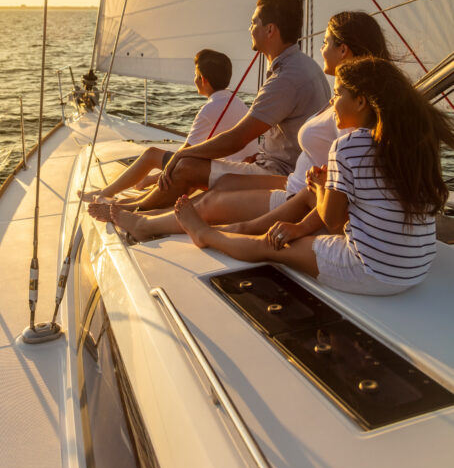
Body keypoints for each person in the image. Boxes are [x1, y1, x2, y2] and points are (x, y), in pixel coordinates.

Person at [174, 57, 454, 295]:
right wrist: (318, 198)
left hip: (373, 271)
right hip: (416, 267)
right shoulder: (411, 144)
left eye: (338, 94)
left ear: (360, 102)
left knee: (270, 247)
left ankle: (204, 233)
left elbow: (333, 221)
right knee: (291, 228)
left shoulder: (348, 145)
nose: (332, 102)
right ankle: (236, 229)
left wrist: (321, 187)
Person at [110, 11, 389, 241]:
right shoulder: (344, 93)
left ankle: (144, 223)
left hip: (299, 193)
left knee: (209, 200)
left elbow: (347, 176)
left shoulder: (351, 106)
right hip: (293, 181)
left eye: (326, 42)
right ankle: (146, 214)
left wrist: (303, 220)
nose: (321, 47)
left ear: (343, 50)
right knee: (225, 184)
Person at [89, 0, 329, 220]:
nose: (249, 28)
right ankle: (136, 207)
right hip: (286, 168)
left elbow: (237, 138)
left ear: (270, 30)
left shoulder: (285, 78)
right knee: (204, 173)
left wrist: (183, 154)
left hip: (283, 176)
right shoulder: (306, 66)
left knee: (185, 167)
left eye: (253, 22)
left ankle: (134, 209)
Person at [80, 49, 258, 204]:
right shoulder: (238, 103)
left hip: (223, 176)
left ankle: (105, 193)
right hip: (237, 172)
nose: (194, 79)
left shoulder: (209, 110)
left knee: (151, 155)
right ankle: (145, 183)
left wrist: (159, 173)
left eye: (196, 75)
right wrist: (153, 178)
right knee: (178, 162)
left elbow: (182, 156)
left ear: (203, 80)